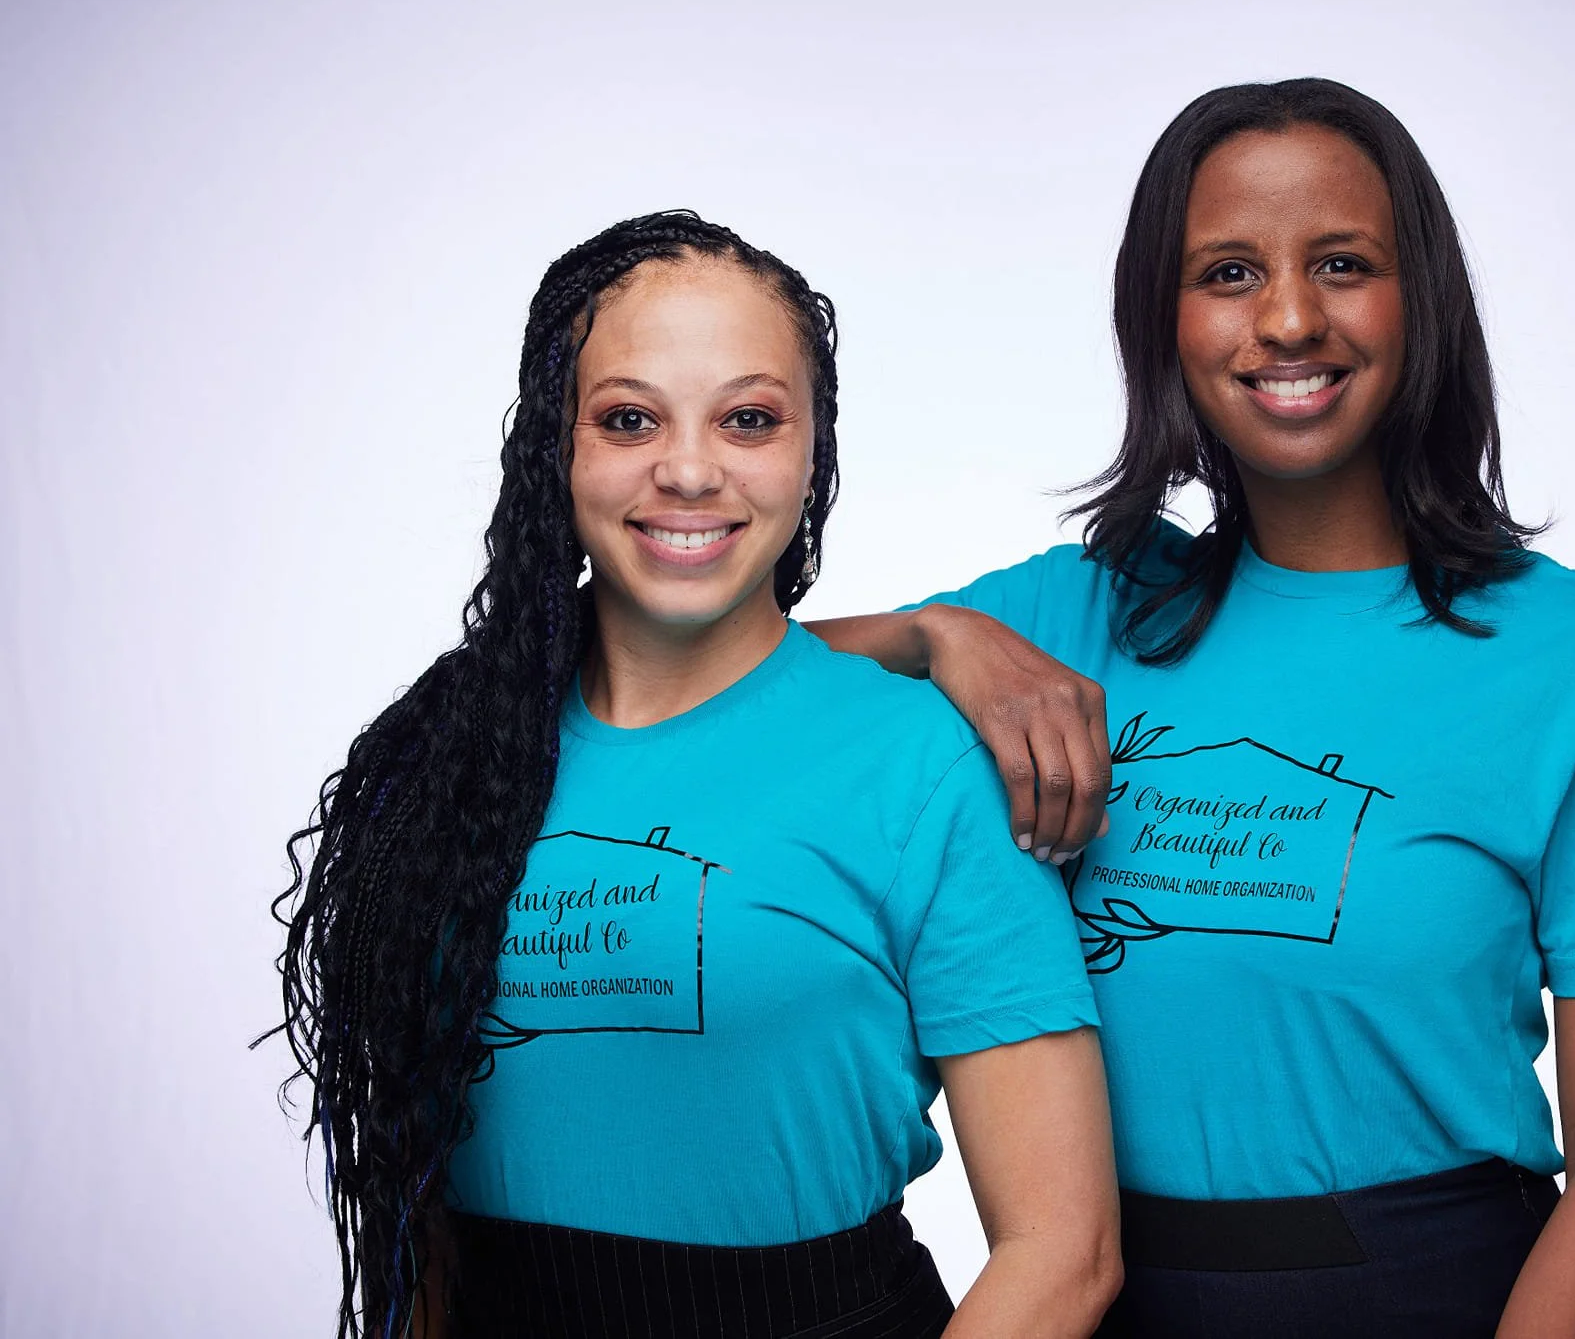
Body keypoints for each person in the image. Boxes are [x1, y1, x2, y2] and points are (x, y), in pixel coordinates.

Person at [810, 79, 1575, 1338]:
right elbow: (709, 694)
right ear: (1163, 321)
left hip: (1436, 1296)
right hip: (1097, 1296)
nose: (1288, 319)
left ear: (1423, 302)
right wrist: (932, 636)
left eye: (1341, 264)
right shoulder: (1067, 618)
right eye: (1228, 272)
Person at [268, 211, 1120, 1339]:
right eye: (627, 418)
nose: (685, 468)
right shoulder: (450, 765)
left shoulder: (920, 766)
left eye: (748, 419)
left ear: (811, 449)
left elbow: (1063, 1250)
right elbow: (414, 1210)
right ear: (553, 446)